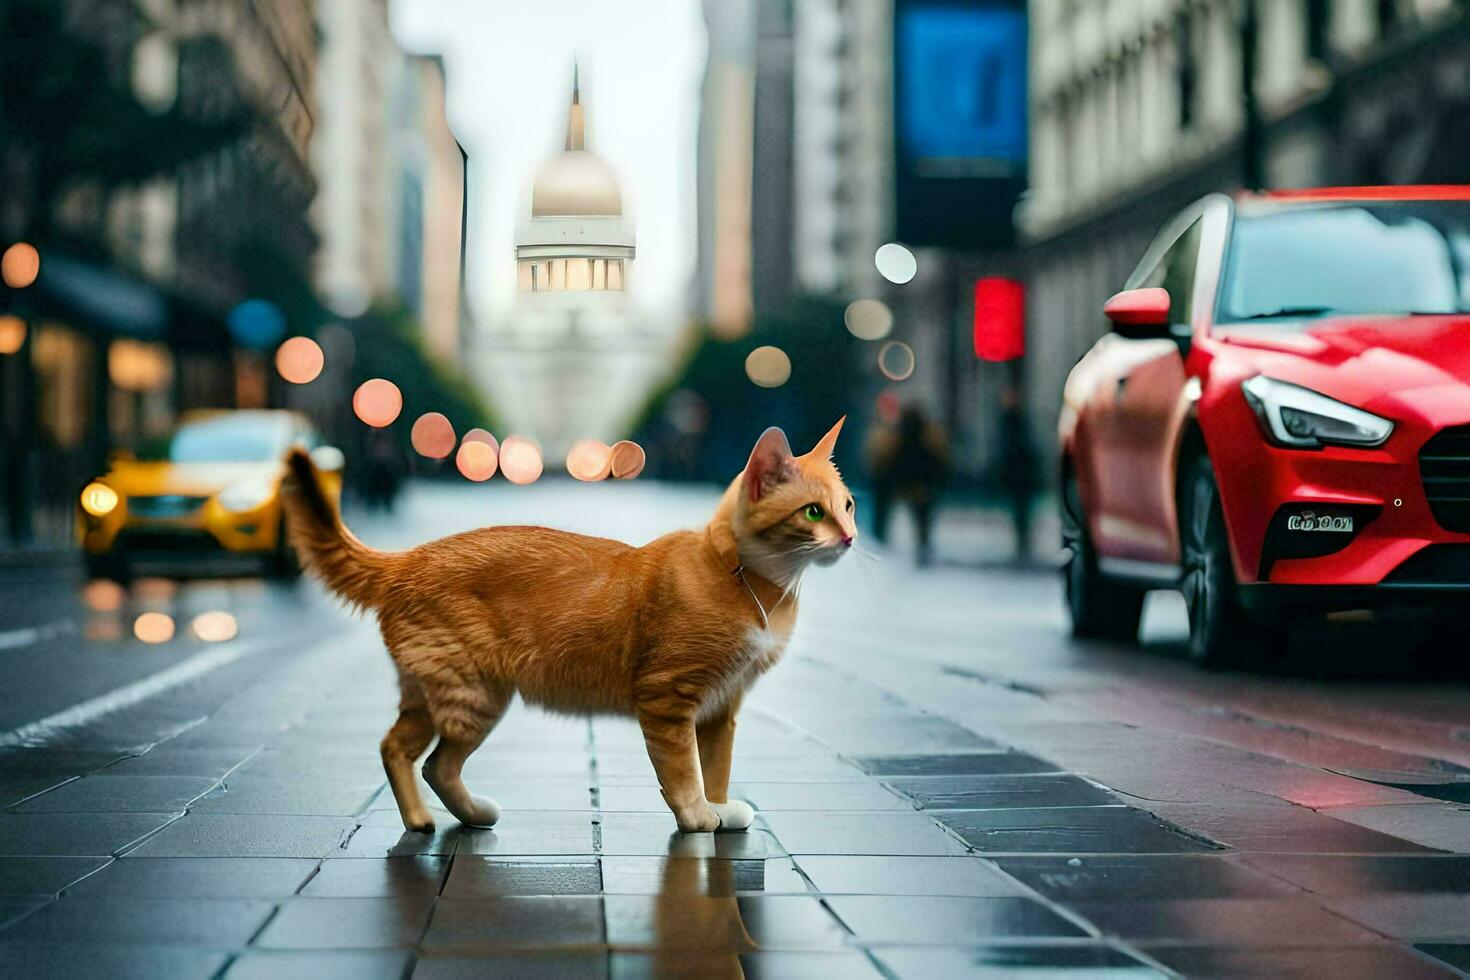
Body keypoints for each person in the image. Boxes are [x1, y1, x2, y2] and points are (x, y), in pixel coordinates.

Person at [867, 404, 951, 566]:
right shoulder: (929, 436)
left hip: (897, 482)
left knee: (883, 509)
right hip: (921, 484)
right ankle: (923, 547)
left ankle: (878, 544)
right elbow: (941, 462)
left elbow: (880, 464)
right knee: (923, 515)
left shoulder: (893, 435)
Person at [996, 383, 1040, 561]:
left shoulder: (1013, 422)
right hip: (1019, 473)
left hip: (1019, 473)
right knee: (1020, 510)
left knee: (1021, 510)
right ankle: (1022, 542)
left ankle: (1023, 542)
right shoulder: (1012, 421)